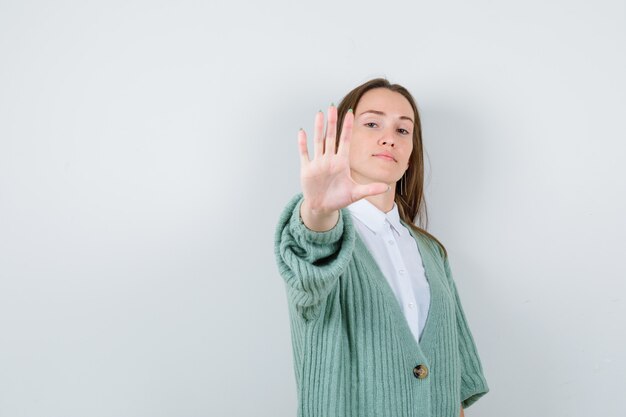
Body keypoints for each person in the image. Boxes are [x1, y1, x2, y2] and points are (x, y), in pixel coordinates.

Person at [274, 78, 489, 417]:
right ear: (341, 138)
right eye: (372, 123)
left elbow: (454, 386)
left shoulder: (432, 252)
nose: (389, 137)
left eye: (403, 131)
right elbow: (309, 261)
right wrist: (318, 211)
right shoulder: (326, 233)